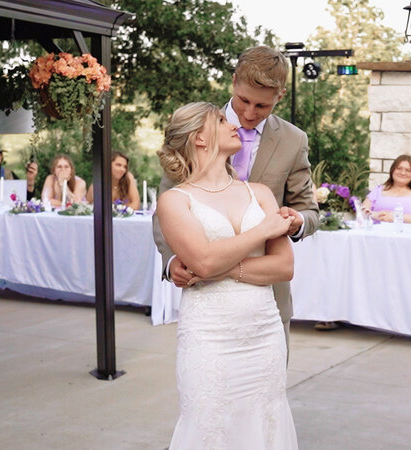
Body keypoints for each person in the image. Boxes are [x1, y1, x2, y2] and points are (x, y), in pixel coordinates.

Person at [153, 45, 319, 350]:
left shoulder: (294, 141)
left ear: (279, 96)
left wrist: (296, 222)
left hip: (268, 297)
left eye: (262, 106)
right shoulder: (197, 127)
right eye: (244, 100)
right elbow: (166, 206)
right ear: (234, 81)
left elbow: (308, 210)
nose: (248, 114)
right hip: (206, 297)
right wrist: (171, 260)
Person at [157, 102, 297, 448]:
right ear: (199, 138)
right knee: (208, 424)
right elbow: (202, 262)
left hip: (264, 334)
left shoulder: (259, 193)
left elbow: (283, 267)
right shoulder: (175, 201)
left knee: (267, 422)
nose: (231, 122)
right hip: (209, 337)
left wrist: (222, 267)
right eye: (220, 120)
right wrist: (263, 230)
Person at [362, 154, 411, 224]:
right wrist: (375, 215)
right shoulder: (378, 190)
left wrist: (397, 216)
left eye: (408, 170)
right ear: (392, 170)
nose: (402, 173)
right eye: (399, 168)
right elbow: (362, 211)